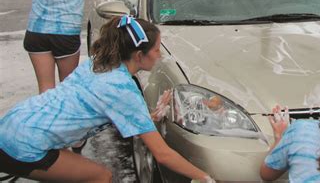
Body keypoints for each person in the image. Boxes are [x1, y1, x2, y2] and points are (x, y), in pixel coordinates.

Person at [0, 16, 215, 183]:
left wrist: (148, 117)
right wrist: (206, 178)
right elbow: (163, 155)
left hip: (15, 123)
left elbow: (111, 110)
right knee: (101, 176)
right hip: (23, 145)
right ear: (139, 55)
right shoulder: (122, 89)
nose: (159, 55)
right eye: (157, 49)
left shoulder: (98, 62)